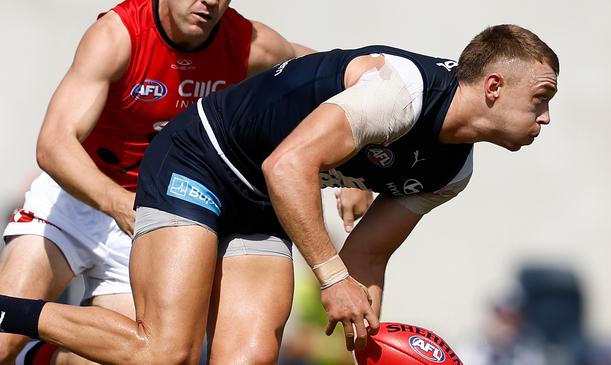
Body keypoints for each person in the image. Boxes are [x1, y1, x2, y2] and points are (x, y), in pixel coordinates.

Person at [0, 24, 559, 364]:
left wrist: (368, 348)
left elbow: (368, 253)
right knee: (163, 352)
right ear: (492, 87)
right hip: (200, 157)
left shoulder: (453, 170)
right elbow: (288, 163)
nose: (546, 117)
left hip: (264, 197)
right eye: (540, 98)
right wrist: (332, 279)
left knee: (251, 357)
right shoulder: (402, 92)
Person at [0, 0, 372, 364]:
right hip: (79, 200)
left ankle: (39, 357)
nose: (209, 1)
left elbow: (332, 76)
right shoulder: (118, 35)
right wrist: (115, 202)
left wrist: (356, 165)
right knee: (3, 344)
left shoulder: (247, 42)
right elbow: (53, 144)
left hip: (156, 217)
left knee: (133, 356)